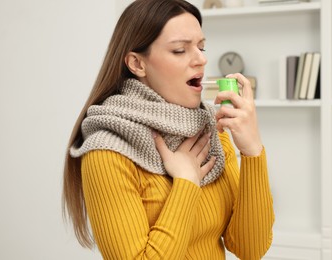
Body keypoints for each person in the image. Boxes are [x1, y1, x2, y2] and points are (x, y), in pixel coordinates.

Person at [62, 0, 274, 259]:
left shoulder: (210, 131)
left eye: (201, 46)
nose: (201, 59)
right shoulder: (107, 151)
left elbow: (250, 249)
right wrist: (186, 183)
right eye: (179, 50)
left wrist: (252, 150)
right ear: (137, 64)